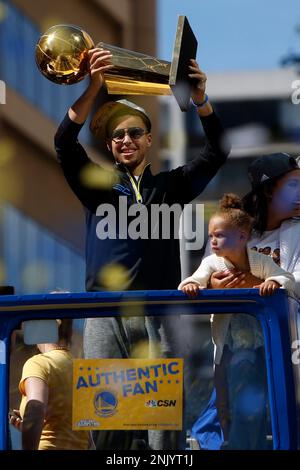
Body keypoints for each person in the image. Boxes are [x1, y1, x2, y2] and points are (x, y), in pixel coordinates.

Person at [54, 47, 230, 450]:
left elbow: (218, 151)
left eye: (134, 132)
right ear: (111, 145)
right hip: (104, 312)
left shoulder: (171, 185)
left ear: (150, 139)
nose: (126, 140)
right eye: (117, 135)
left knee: (161, 430)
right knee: (107, 425)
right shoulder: (96, 186)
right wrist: (93, 87)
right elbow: (63, 142)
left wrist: (200, 99)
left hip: (159, 311)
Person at [195, 152, 300, 449]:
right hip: (238, 349)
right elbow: (205, 274)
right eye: (292, 186)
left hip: (287, 347)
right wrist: (212, 286)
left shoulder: (298, 230)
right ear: (268, 190)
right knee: (239, 415)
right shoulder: (232, 228)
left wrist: (256, 285)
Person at [9, 319, 89, 450]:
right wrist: (29, 427)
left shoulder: (39, 363)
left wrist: (32, 428)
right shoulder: (82, 368)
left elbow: (36, 410)